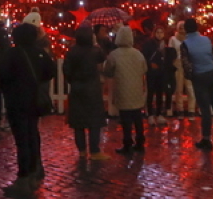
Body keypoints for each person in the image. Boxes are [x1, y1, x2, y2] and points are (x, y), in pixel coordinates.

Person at [0, 21, 56, 195]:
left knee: (22, 138)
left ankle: (24, 176)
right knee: (32, 134)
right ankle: (36, 169)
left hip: (17, 101)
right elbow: (50, 71)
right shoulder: (40, 53)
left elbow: (2, 75)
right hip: (34, 101)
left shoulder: (12, 54)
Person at [181, 18, 213, 149]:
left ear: (186, 29)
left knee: (205, 108)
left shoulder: (185, 44)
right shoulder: (206, 40)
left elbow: (186, 64)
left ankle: (207, 138)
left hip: (199, 75)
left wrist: (191, 76)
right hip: (211, 73)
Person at [63, 23, 108, 159]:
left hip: (77, 89)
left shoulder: (72, 52)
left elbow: (66, 71)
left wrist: (73, 81)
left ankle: (82, 150)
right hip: (92, 89)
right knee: (94, 121)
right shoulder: (94, 51)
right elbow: (102, 57)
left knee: (79, 122)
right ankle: (94, 151)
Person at [104, 25, 147, 154]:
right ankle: (140, 142)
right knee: (137, 117)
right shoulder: (138, 54)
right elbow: (144, 69)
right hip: (136, 89)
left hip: (122, 88)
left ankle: (127, 143)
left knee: (126, 119)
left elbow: (108, 71)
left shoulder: (114, 55)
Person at [146, 24, 175, 124]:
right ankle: (150, 114)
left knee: (160, 93)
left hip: (162, 72)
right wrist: (150, 65)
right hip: (152, 72)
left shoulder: (165, 44)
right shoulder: (149, 44)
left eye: (161, 32)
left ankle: (159, 113)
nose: (159, 34)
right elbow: (145, 56)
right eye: (157, 32)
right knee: (150, 92)